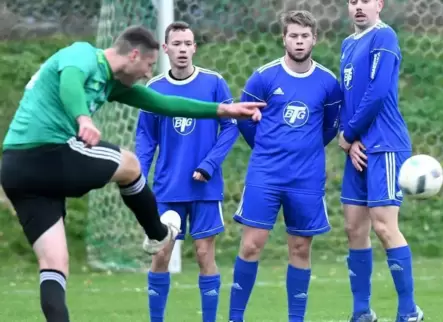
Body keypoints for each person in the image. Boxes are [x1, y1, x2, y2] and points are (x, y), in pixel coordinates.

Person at [0, 25, 264, 322]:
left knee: (55, 264)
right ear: (134, 54)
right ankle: (158, 235)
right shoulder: (83, 55)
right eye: (149, 65)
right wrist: (83, 117)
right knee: (131, 165)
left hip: (15, 171)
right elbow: (69, 81)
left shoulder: (110, 84)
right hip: (44, 152)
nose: (148, 75)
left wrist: (224, 111)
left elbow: (162, 103)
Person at [228, 10, 342, 322]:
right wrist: (268, 148)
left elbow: (331, 127)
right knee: (252, 245)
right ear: (284, 38)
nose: (299, 41)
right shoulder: (264, 77)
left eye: (305, 36)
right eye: (293, 35)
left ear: (314, 39)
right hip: (265, 173)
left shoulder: (328, 83)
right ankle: (235, 318)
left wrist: (305, 149)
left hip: (306, 177)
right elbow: (245, 121)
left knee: (301, 248)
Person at [135, 21, 239, 322]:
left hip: (205, 187)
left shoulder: (214, 83)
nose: (182, 49)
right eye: (176, 44)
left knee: (205, 255)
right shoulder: (154, 89)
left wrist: (209, 165)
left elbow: (230, 127)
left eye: (187, 44)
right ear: (165, 49)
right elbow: (146, 136)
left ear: (194, 47)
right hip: (168, 187)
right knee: (161, 255)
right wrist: (139, 175)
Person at [338, 1, 424, 321]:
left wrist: (349, 133)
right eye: (352, 1)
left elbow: (377, 92)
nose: (359, 7)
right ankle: (362, 312)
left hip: (385, 145)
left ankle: (408, 312)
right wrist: (350, 140)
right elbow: (348, 97)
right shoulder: (348, 44)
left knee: (385, 226)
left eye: (366, 0)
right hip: (358, 147)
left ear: (379, 4)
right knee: (354, 228)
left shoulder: (384, 37)